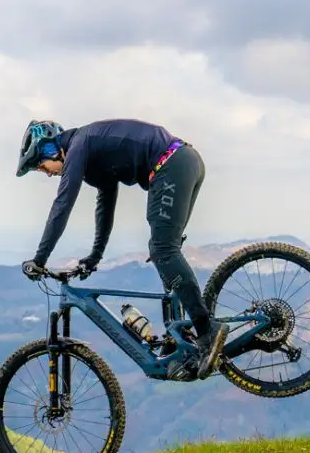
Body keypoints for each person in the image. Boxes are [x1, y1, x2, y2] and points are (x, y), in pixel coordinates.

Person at [16, 118, 229, 380]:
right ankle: (182, 341)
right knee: (161, 248)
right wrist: (95, 256)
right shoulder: (91, 152)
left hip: (171, 164)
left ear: (51, 150)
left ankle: (207, 330)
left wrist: (39, 259)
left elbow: (63, 205)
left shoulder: (79, 146)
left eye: (41, 166)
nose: (47, 173)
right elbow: (106, 203)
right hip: (183, 161)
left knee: (164, 249)